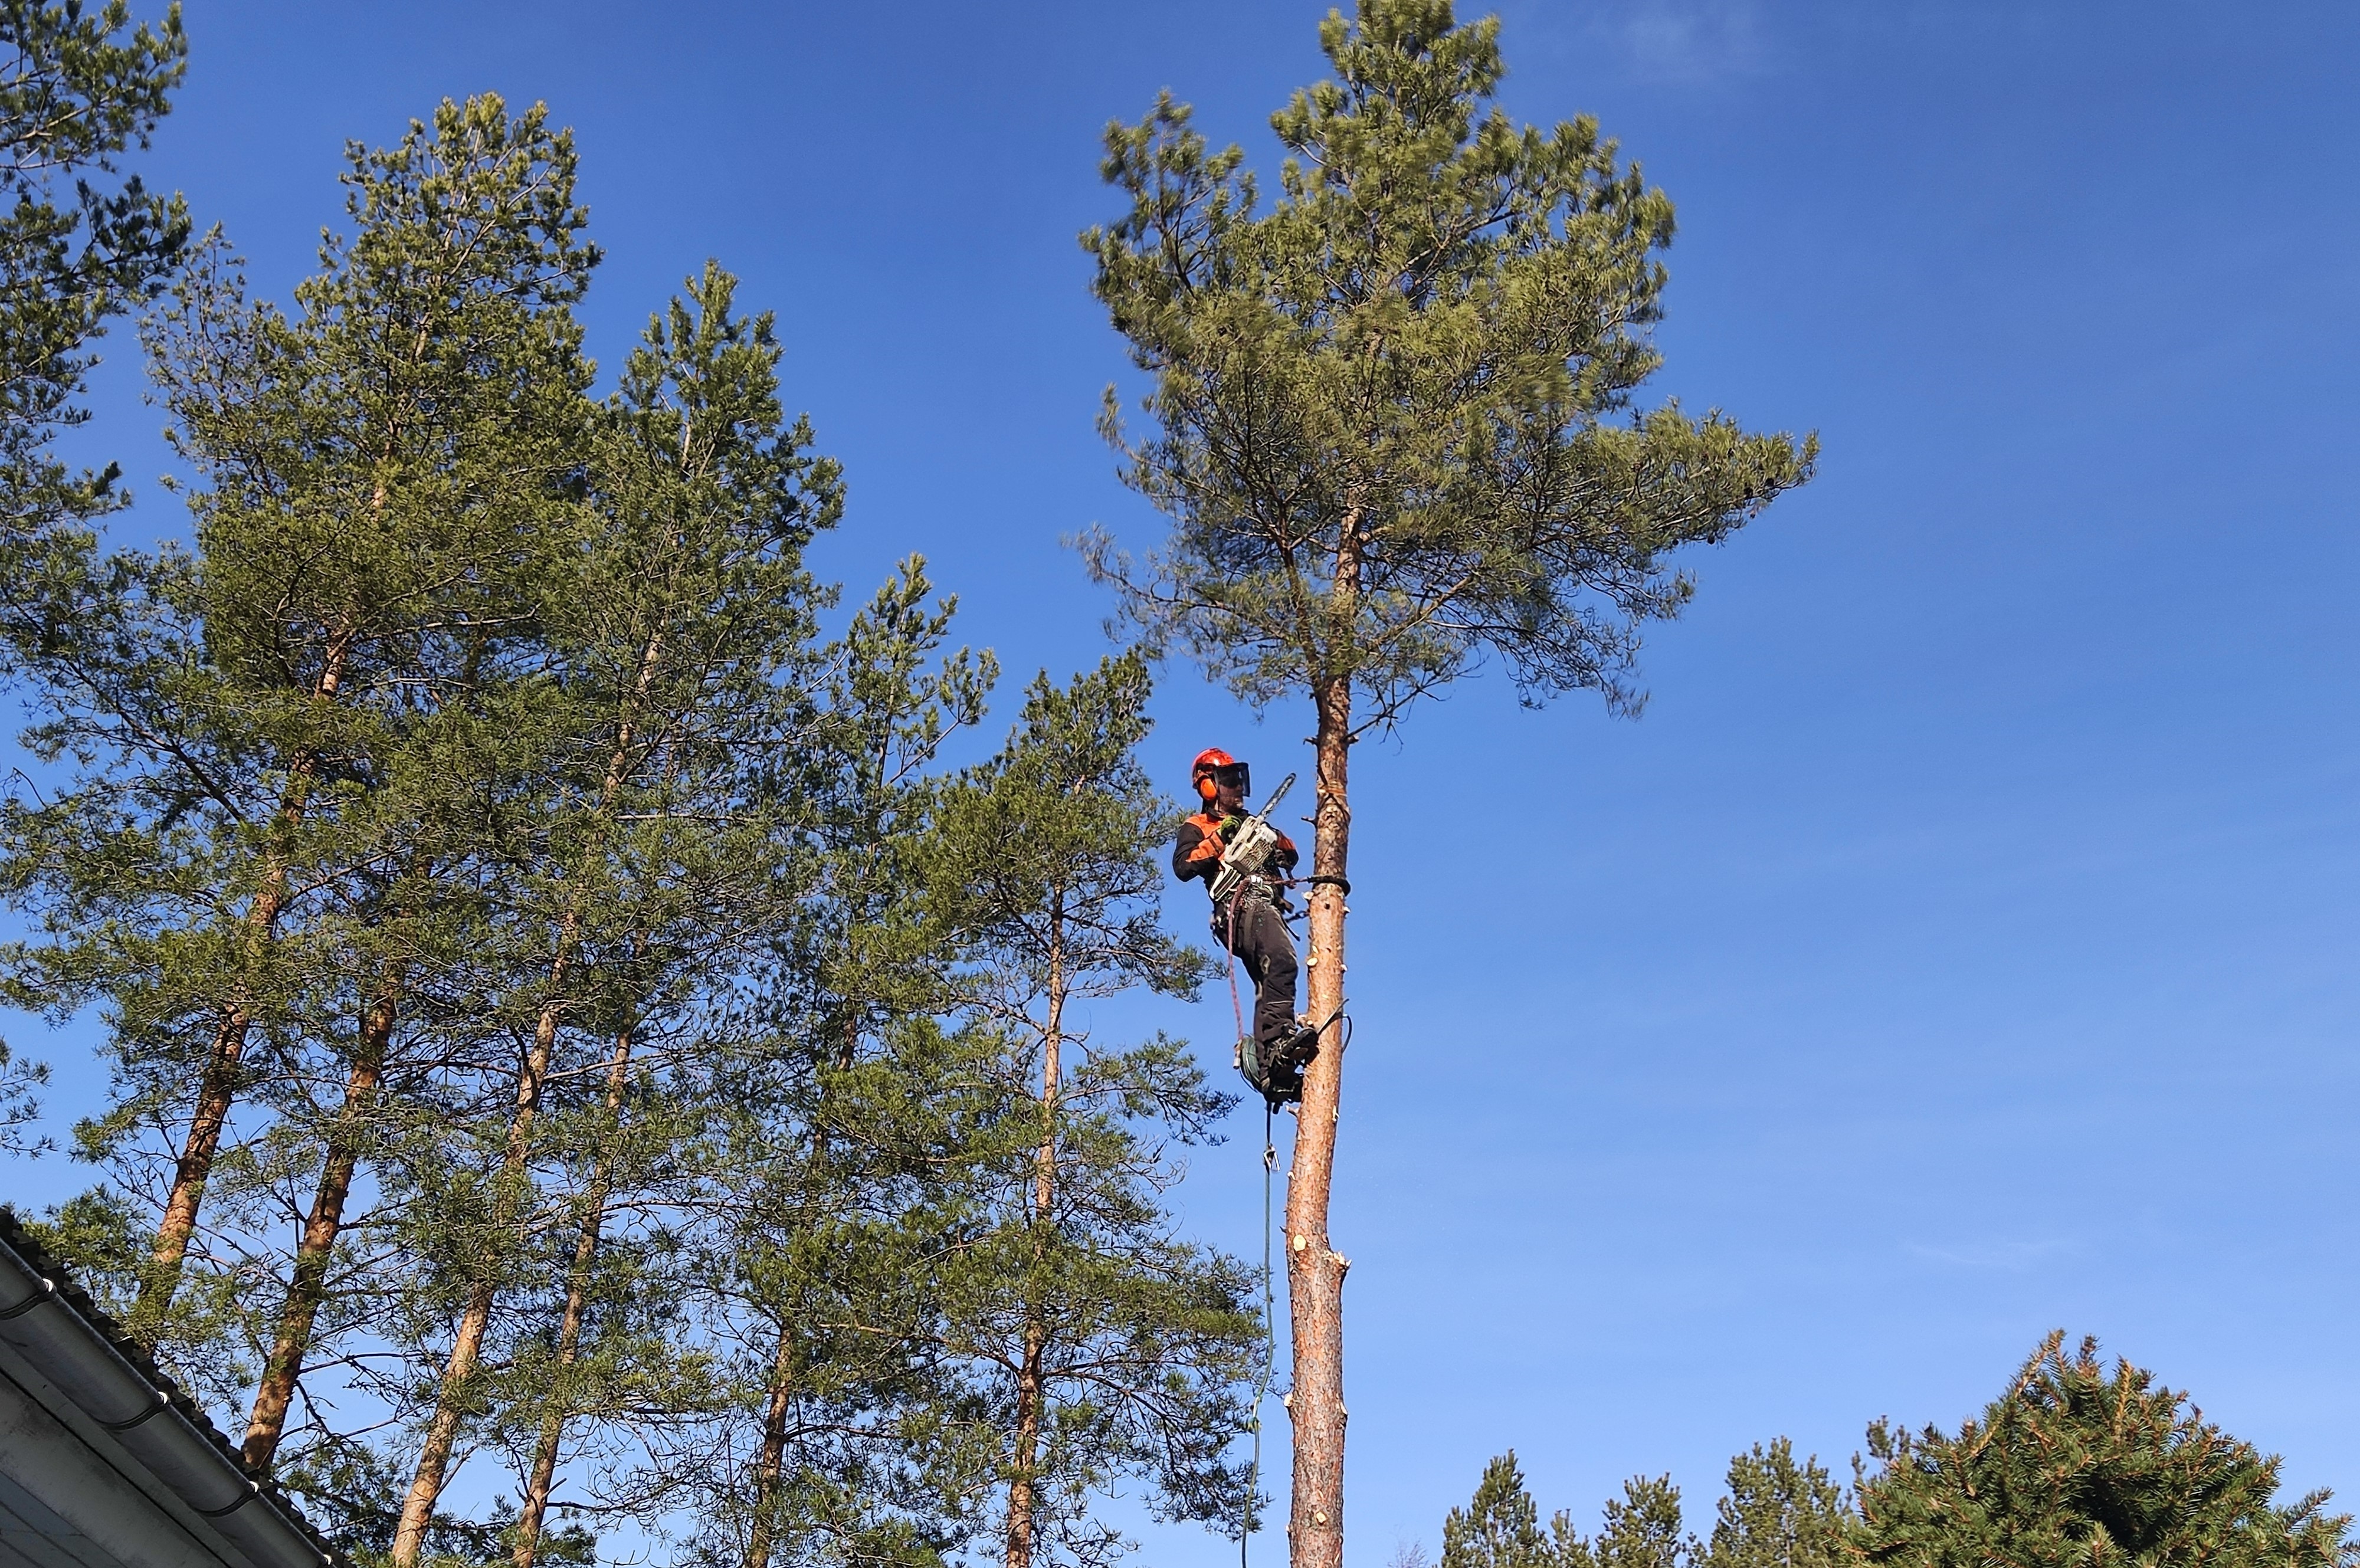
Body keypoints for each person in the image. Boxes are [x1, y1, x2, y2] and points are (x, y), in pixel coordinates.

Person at [1174, 747, 1320, 1102]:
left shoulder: (1254, 822)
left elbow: (1290, 850)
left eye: (1240, 781)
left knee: (1271, 981)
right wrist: (1220, 837)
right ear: (1208, 786)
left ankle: (1274, 1070)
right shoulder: (1197, 826)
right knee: (1283, 961)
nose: (1238, 789)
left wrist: (1274, 843)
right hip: (1237, 906)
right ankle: (1281, 1037)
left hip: (1265, 903)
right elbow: (1184, 867)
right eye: (1229, 782)